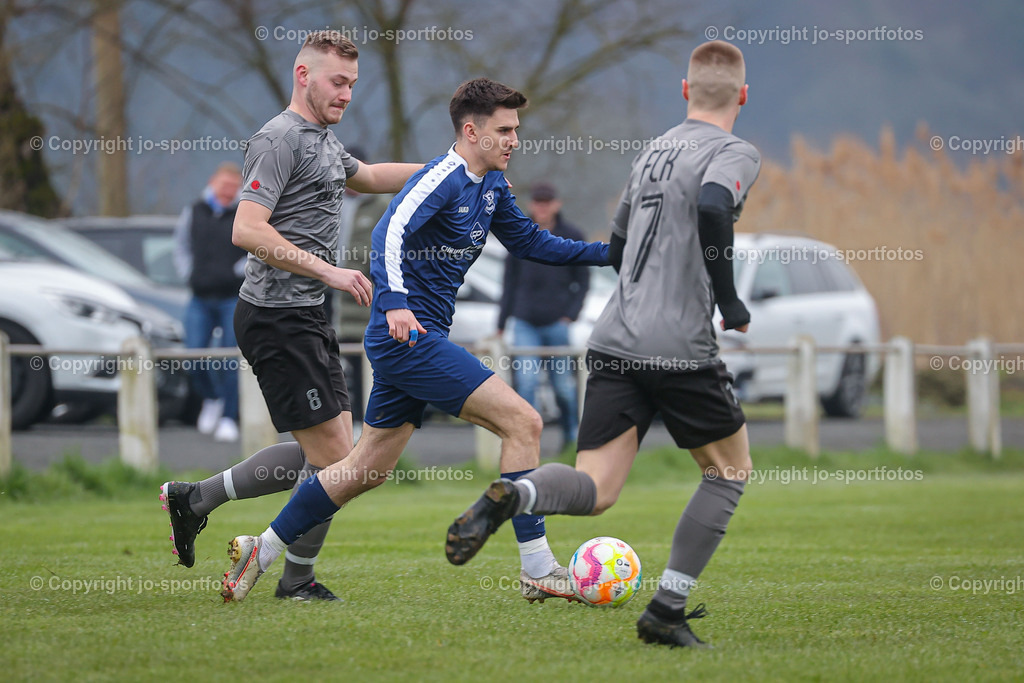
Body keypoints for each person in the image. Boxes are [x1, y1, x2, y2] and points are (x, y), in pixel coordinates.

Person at [217, 77, 609, 604]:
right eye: (505, 129)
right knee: (525, 422)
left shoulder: (491, 186)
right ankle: (538, 566)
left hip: (418, 337)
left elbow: (535, 243)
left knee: (364, 469)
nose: (515, 139)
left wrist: (613, 252)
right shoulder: (443, 177)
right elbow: (388, 233)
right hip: (408, 337)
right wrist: (396, 300)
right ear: (471, 131)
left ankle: (259, 551)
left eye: (517, 129)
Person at [446, 41, 761, 649]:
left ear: (684, 91)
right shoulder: (733, 150)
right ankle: (666, 610)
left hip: (614, 337)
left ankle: (517, 493)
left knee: (596, 488)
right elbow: (716, 203)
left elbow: (616, 247)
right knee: (728, 470)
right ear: (742, 96)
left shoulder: (651, 152)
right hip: (678, 342)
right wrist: (729, 301)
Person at [159, 31, 420, 601]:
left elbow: (370, 177)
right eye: (337, 81)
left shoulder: (322, 141)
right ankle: (294, 578)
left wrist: (448, 169)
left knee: (330, 459)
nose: (347, 93)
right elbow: (246, 228)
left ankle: (197, 498)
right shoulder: (278, 139)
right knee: (339, 467)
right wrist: (328, 272)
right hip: (278, 316)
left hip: (305, 316)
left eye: (353, 83)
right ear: (303, 75)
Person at [498, 181, 589, 450]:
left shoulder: (572, 234)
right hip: (525, 322)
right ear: (531, 204)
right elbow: (509, 283)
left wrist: (570, 315)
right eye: (538, 202)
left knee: (564, 389)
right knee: (525, 384)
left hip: (557, 324)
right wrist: (502, 324)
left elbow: (583, 280)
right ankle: (525, 443)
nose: (542, 207)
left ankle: (572, 442)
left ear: (556, 204)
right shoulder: (518, 232)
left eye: (547, 202)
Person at [173, 162, 246, 442]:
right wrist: (189, 273)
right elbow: (181, 246)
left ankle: (229, 416)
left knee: (229, 358)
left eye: (233, 186)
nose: (228, 191)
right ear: (213, 183)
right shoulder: (193, 211)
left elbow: (255, 249)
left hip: (231, 297)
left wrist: (235, 272)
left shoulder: (243, 212)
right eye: (224, 185)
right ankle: (211, 398)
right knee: (193, 355)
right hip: (200, 298)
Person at [335, 146, 393, 420]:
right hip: (328, 299)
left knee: (364, 365)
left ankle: (365, 422)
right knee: (332, 366)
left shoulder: (382, 205)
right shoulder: (328, 201)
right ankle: (341, 424)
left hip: (363, 302)